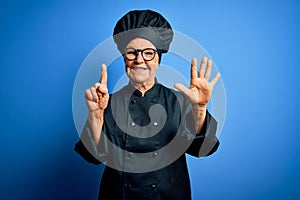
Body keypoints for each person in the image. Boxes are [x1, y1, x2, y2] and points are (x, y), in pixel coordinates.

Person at [74, 9, 221, 200]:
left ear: (158, 59)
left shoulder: (182, 101)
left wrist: (200, 108)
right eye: (131, 53)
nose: (139, 59)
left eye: (149, 53)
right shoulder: (106, 104)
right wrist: (95, 115)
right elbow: (93, 157)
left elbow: (204, 149)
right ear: (124, 58)